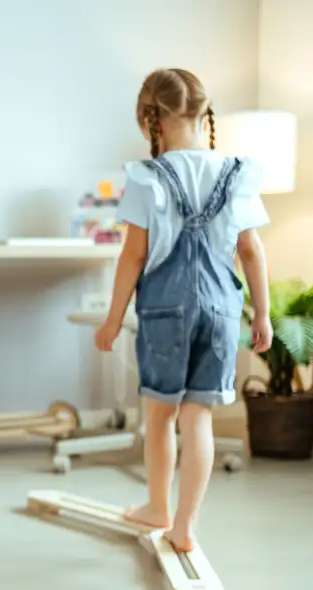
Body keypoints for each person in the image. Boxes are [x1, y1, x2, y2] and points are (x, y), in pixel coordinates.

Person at [95, 68, 272, 553]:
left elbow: (133, 256)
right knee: (199, 417)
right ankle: (186, 527)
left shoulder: (146, 177)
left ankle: (158, 506)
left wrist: (112, 319)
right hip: (220, 310)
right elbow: (252, 251)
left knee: (160, 414)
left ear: (152, 120)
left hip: (165, 310)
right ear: (201, 113)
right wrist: (263, 315)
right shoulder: (237, 173)